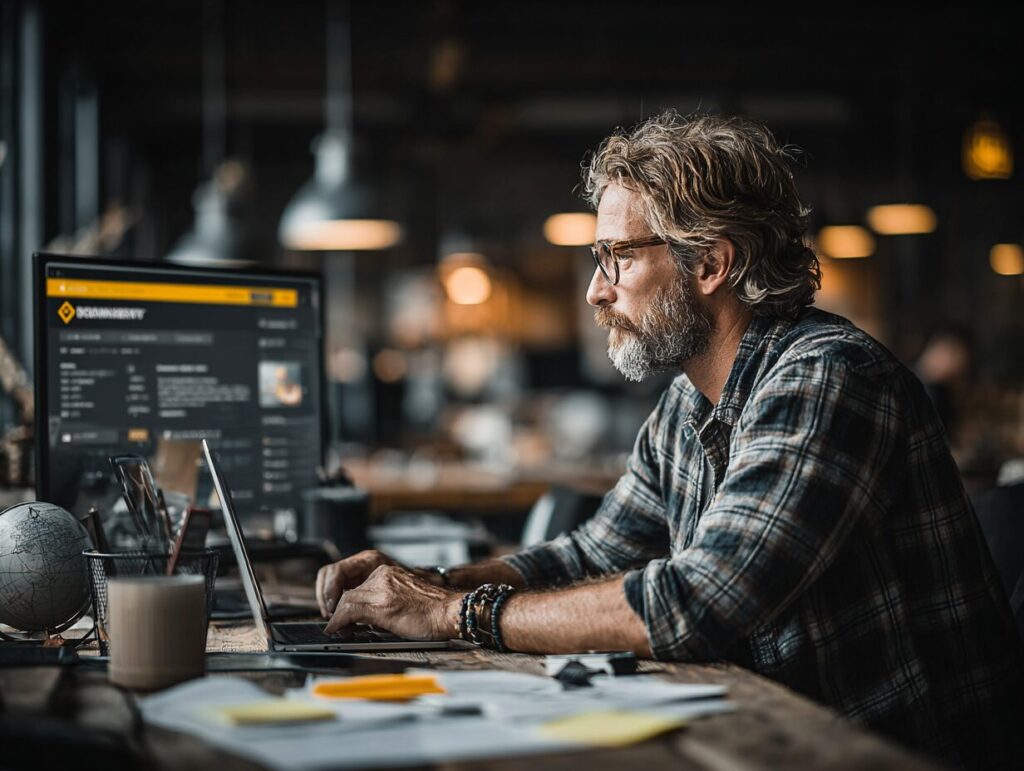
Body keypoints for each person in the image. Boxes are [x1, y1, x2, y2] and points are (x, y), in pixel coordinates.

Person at [314, 112, 1024, 769]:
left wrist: (450, 615)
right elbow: (590, 555)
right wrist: (429, 585)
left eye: (617, 256)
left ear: (711, 263)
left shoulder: (829, 377)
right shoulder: (687, 402)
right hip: (769, 737)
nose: (596, 291)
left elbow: (699, 601)